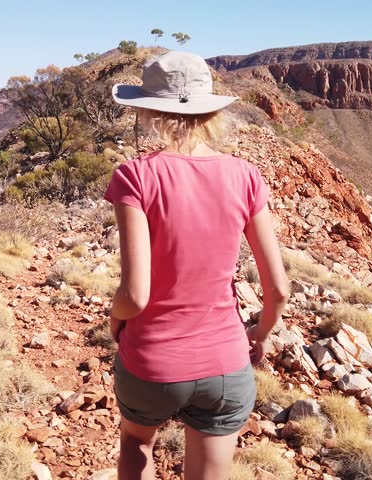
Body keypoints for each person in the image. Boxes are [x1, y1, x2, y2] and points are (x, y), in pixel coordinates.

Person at [104, 51, 290, 480]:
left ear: (149, 110)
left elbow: (135, 296)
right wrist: (258, 335)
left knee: (137, 443)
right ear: (210, 111)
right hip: (226, 361)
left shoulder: (135, 176)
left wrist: (116, 319)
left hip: (152, 362)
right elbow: (277, 288)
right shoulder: (246, 175)